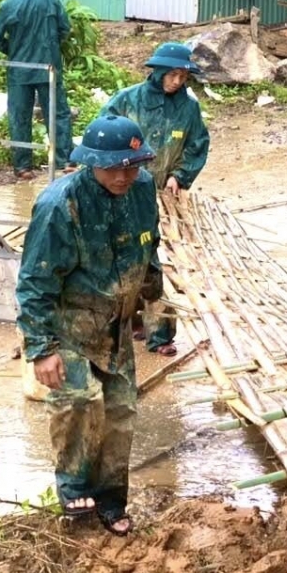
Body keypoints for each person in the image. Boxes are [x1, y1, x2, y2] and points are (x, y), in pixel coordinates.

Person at [16, 115, 161, 536]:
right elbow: (35, 281)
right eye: (112, 167)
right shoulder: (60, 205)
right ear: (90, 162)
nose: (122, 175)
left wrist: (152, 288)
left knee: (120, 411)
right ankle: (75, 490)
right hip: (69, 325)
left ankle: (112, 499)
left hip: (115, 325)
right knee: (80, 402)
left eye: (130, 166)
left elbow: (149, 241)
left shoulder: (143, 188)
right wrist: (41, 349)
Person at [99, 41, 210, 356]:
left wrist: (180, 175)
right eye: (172, 75)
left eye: (182, 76)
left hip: (157, 196)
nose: (177, 81)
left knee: (152, 261)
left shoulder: (188, 108)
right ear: (158, 71)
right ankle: (129, 322)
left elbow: (197, 144)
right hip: (118, 192)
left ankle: (159, 334)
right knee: (118, 257)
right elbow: (102, 137)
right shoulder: (127, 100)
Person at [0, 0, 73, 181]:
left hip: (20, 70)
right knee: (57, 113)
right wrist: (51, 46)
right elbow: (65, 28)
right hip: (49, 67)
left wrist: (12, 50)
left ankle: (23, 167)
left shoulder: (8, 5)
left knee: (20, 116)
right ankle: (65, 162)